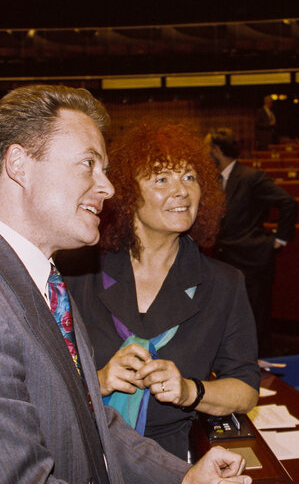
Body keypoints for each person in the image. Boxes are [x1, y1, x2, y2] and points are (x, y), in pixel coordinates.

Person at [0, 85, 251, 484]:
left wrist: (183, 477)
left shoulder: (47, 280)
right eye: (88, 164)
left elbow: (90, 419)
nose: (108, 187)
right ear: (19, 165)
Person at [59, 124, 260, 460]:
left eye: (190, 178)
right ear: (126, 193)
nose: (181, 191)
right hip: (81, 449)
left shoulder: (225, 284)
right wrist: (99, 381)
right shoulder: (79, 273)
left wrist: (189, 391)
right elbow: (38, 380)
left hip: (171, 456)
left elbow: (245, 390)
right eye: (162, 179)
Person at [208, 128, 297, 357]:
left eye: (207, 147)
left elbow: (288, 202)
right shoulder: (216, 180)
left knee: (255, 319)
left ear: (216, 149)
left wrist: (279, 240)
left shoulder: (251, 177)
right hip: (226, 261)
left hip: (253, 261)